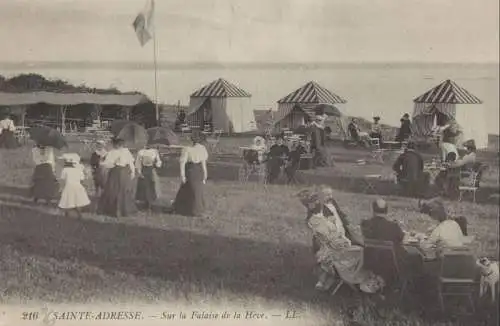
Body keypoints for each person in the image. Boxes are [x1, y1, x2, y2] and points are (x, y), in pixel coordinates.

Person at [299, 187, 384, 294]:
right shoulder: (315, 220)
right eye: (326, 196)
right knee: (362, 252)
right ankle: (361, 279)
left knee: (364, 251)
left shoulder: (329, 208)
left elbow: (340, 221)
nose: (329, 197)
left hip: (340, 241)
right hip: (333, 248)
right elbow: (327, 239)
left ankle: (370, 279)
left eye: (330, 194)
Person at [97, 137, 137, 218]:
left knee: (120, 189)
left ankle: (122, 209)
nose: (119, 146)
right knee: (115, 189)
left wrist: (132, 172)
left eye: (120, 144)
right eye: (118, 144)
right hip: (118, 171)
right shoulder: (114, 152)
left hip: (121, 172)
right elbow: (109, 164)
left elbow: (130, 163)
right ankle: (116, 210)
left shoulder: (121, 151)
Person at [173, 130, 208, 217]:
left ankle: (193, 209)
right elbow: (203, 164)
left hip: (192, 170)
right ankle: (188, 208)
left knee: (192, 190)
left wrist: (183, 175)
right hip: (197, 170)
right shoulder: (201, 149)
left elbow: (182, 163)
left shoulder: (187, 149)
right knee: (193, 190)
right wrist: (205, 175)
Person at [58, 153, 90, 218]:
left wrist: (62, 186)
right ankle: (79, 214)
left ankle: (66, 214)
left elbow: (63, 179)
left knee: (68, 201)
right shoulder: (79, 169)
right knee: (78, 201)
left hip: (69, 186)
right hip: (78, 186)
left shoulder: (65, 169)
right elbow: (82, 179)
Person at [135, 144, 162, 210]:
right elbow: (138, 163)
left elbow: (159, 162)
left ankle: (150, 202)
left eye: (149, 143)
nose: (148, 145)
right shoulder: (141, 152)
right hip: (144, 169)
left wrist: (157, 163)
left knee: (152, 184)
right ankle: (145, 201)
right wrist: (139, 172)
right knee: (144, 185)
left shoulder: (154, 151)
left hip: (151, 169)